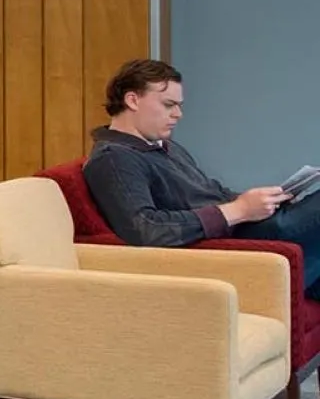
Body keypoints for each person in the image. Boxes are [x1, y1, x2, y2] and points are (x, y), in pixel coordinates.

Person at [85, 58, 320, 297]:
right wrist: (240, 210)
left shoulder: (164, 146)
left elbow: (209, 192)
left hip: (243, 227)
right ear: (132, 100)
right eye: (169, 105)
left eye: (179, 105)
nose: (178, 114)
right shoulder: (113, 158)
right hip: (230, 245)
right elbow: (146, 228)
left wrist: (260, 201)